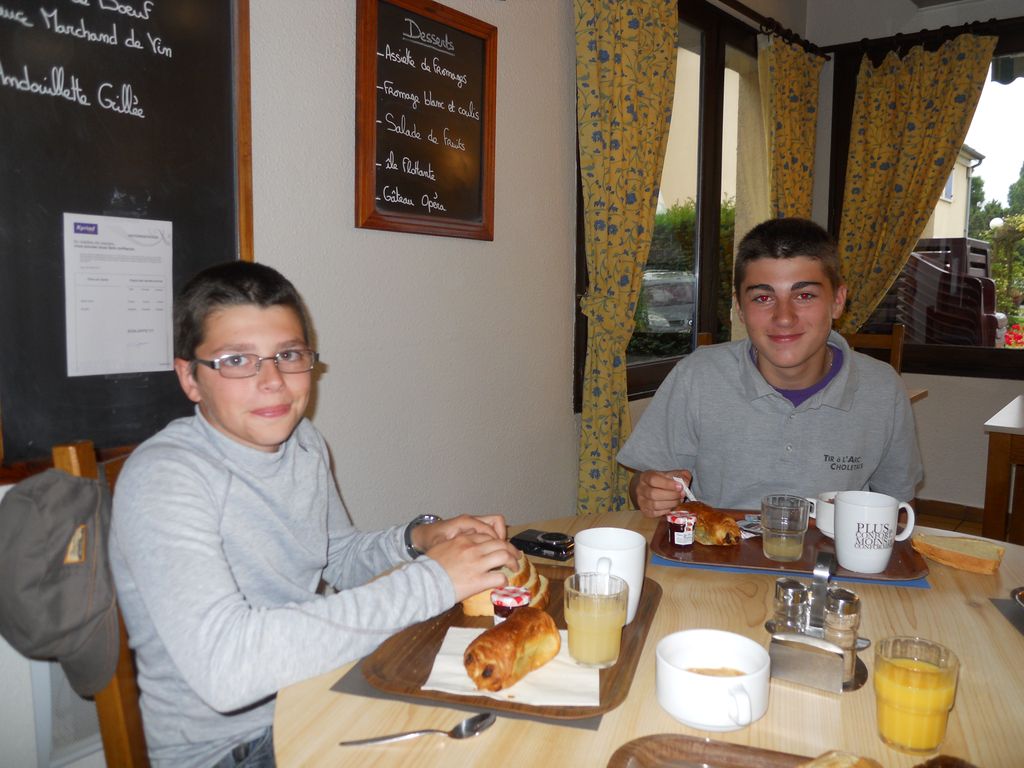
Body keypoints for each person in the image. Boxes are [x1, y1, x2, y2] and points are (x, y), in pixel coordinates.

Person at [108, 261, 519, 767]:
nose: (273, 381)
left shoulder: (304, 443)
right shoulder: (164, 479)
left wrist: (418, 539)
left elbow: (338, 558)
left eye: (288, 355)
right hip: (233, 749)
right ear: (190, 378)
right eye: (237, 360)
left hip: (318, 692)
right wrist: (434, 581)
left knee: (508, 727)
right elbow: (227, 669)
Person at [617, 217, 923, 517]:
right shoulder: (697, 376)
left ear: (838, 301)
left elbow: (898, 505)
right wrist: (646, 490)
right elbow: (644, 484)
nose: (784, 317)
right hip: (717, 549)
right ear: (739, 307)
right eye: (763, 298)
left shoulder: (883, 389)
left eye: (804, 295)